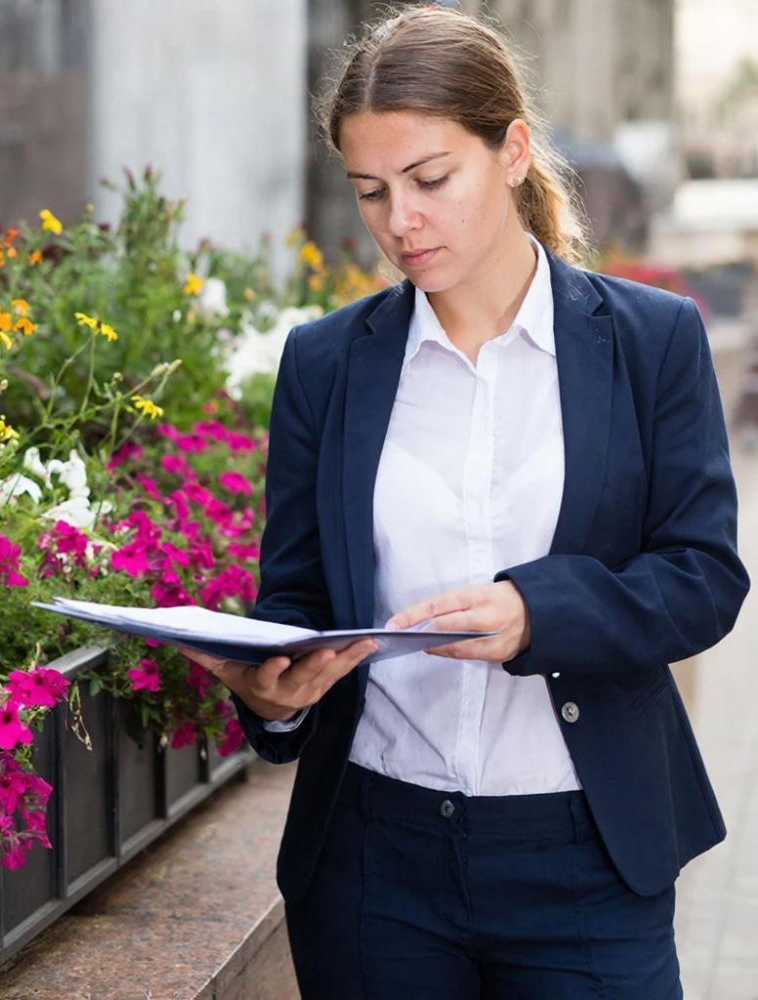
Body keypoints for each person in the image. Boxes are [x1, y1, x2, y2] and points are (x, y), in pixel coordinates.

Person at [188, 5, 750, 998]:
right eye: (371, 191)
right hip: (372, 865)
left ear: (512, 151)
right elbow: (298, 590)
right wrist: (270, 691)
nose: (398, 220)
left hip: (586, 859)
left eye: (428, 179)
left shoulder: (651, 341)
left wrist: (542, 611)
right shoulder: (326, 364)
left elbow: (703, 579)